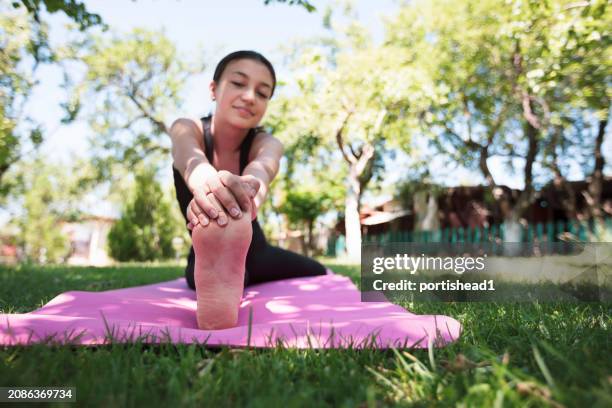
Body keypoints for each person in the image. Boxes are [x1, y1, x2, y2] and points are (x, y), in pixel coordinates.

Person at [170, 50, 327, 330]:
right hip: (208, 236)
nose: (250, 96)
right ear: (214, 89)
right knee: (203, 271)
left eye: (262, 93)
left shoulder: (267, 142)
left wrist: (249, 191)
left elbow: (262, 169)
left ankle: (235, 272)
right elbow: (189, 160)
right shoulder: (186, 128)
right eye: (239, 83)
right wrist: (210, 186)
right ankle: (226, 276)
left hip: (256, 248)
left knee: (316, 270)